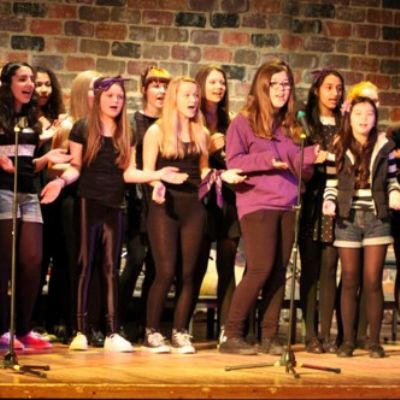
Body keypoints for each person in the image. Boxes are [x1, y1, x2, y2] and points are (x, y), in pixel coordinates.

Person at [41, 76, 188, 352]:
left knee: (111, 268)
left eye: (120, 97)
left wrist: (156, 176)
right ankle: (80, 330)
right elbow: (76, 167)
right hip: (88, 202)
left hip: (115, 205)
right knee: (85, 265)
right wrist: (59, 182)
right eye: (110, 96)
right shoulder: (83, 128)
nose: (115, 101)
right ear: (98, 98)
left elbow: (128, 173)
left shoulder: (127, 131)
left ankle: (111, 331)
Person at [219, 59, 324, 355]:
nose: (281, 90)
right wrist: (270, 161)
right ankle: (232, 334)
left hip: (288, 204)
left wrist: (309, 160)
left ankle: (269, 336)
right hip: (258, 202)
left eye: (286, 84)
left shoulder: (292, 126)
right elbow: (235, 161)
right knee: (260, 268)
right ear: (262, 87)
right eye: (275, 84)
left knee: (278, 271)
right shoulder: (244, 122)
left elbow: (303, 172)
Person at [141, 76, 244, 354]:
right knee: (165, 271)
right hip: (165, 206)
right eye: (187, 95)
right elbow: (147, 171)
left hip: (194, 207)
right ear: (174, 98)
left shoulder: (201, 132)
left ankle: (179, 331)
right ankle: (151, 331)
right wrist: (157, 183)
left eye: (196, 96)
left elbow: (202, 169)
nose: (193, 100)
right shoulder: (156, 131)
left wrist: (222, 175)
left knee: (188, 273)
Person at [0, 61, 71, 350]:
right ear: (7, 84)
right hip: (3, 192)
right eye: (23, 79)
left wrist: (47, 158)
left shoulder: (31, 119)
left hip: (28, 193)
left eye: (31, 79)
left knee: (32, 261)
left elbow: (27, 163)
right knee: (5, 263)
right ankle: (2, 329)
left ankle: (23, 329)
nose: (30, 84)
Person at [323, 96, 400, 358]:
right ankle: (347, 341)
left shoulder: (385, 146)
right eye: (358, 113)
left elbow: (392, 180)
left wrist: (395, 194)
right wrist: (329, 202)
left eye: (369, 114)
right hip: (348, 218)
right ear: (349, 117)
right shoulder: (338, 145)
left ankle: (374, 341)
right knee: (349, 279)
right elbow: (331, 183)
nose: (363, 119)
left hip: (377, 219)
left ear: (375, 118)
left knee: (372, 280)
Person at [119, 66, 171, 339]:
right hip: (138, 199)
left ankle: (146, 323)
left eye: (165, 86)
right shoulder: (133, 123)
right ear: (144, 89)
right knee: (136, 258)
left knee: (157, 264)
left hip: (164, 200)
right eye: (155, 85)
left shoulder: (171, 124)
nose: (161, 91)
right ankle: (116, 321)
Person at [299, 68, 345, 354]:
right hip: (312, 200)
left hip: (337, 199)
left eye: (339, 88)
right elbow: (304, 159)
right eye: (329, 87)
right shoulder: (306, 122)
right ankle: (310, 333)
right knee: (310, 268)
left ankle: (327, 332)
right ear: (317, 90)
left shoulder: (345, 124)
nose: (334, 93)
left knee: (330, 267)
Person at [193, 65, 240, 342]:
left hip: (228, 198)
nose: (219, 87)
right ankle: (181, 327)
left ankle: (227, 328)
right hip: (201, 198)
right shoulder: (191, 119)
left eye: (222, 82)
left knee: (227, 262)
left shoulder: (230, 121)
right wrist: (208, 150)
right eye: (212, 82)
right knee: (196, 263)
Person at [32, 66, 68, 340]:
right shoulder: (23, 120)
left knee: (61, 257)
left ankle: (54, 319)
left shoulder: (61, 120)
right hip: (33, 193)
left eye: (47, 84)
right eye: (38, 84)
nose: (43, 89)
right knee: (37, 260)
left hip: (58, 194)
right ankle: (30, 321)